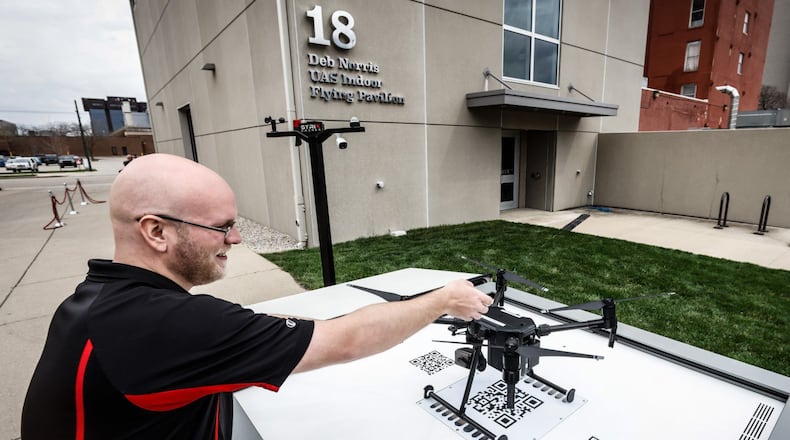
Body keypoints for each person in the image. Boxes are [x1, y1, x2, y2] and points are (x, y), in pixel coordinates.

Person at [21, 153, 492, 439]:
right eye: (222, 227)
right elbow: (346, 342)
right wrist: (444, 298)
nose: (237, 239)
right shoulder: (166, 325)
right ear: (156, 231)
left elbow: (215, 336)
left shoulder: (99, 298)